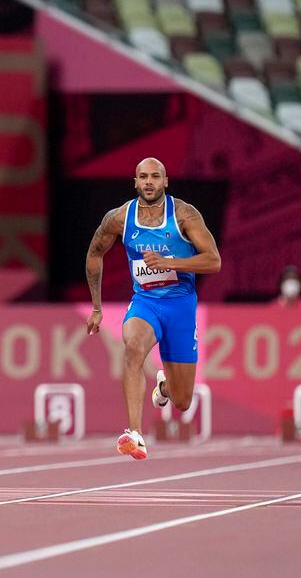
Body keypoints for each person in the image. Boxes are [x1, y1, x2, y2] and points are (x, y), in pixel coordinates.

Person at [85, 157, 221, 460]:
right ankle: (134, 432)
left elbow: (213, 260)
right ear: (135, 182)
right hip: (145, 302)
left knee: (183, 400)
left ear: (165, 181)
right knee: (132, 346)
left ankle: (163, 386)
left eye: (155, 177)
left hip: (181, 306)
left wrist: (170, 262)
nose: (149, 182)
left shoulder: (184, 214)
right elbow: (95, 253)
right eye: (143, 177)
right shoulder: (120, 217)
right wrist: (96, 306)